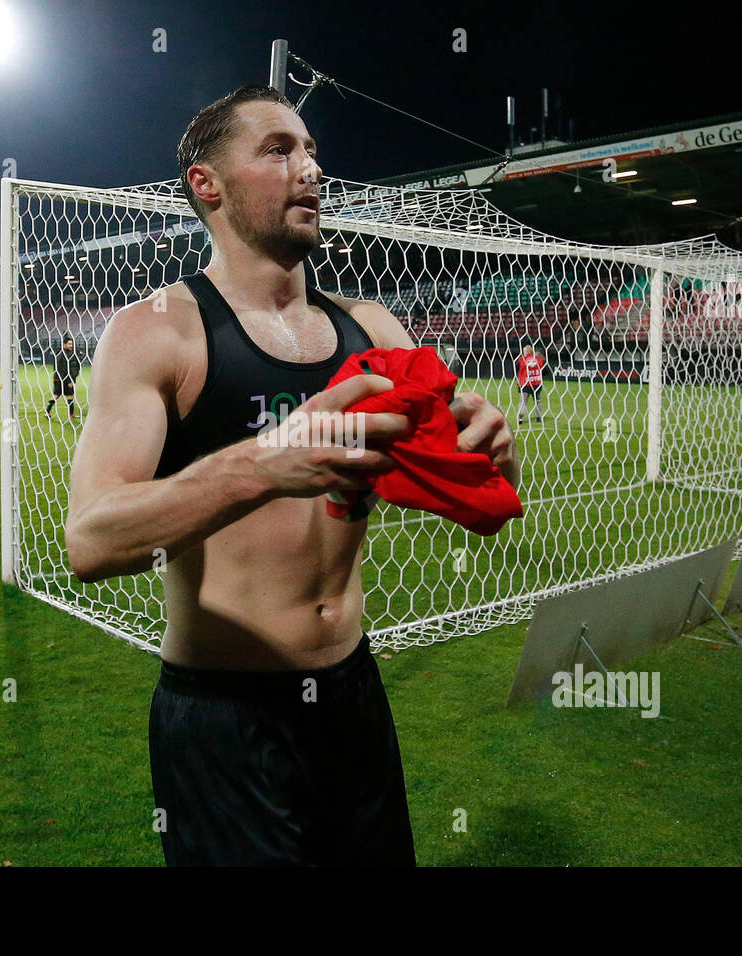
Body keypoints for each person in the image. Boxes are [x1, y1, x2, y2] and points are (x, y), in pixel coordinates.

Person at [64, 84, 520, 866]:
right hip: (223, 717)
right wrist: (264, 464)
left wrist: (488, 452)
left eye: (311, 152)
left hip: (352, 695)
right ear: (207, 183)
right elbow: (90, 541)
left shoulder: (371, 330)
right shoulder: (156, 334)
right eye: (278, 150)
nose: (309, 168)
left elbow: (466, 477)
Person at [45, 335, 80, 419]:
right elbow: (63, 368)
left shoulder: (62, 352)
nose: (71, 346)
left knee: (69, 396)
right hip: (62, 379)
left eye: (71, 344)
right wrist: (69, 381)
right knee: (57, 395)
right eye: (69, 344)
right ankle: (47, 412)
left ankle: (71, 414)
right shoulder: (62, 354)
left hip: (61, 378)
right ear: (64, 344)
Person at [515, 344, 546, 424]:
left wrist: (519, 379)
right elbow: (546, 370)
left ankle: (520, 419)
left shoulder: (522, 360)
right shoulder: (539, 359)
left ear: (526, 352)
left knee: (523, 401)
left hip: (526, 384)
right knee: (538, 401)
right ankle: (539, 418)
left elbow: (516, 369)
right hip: (536, 384)